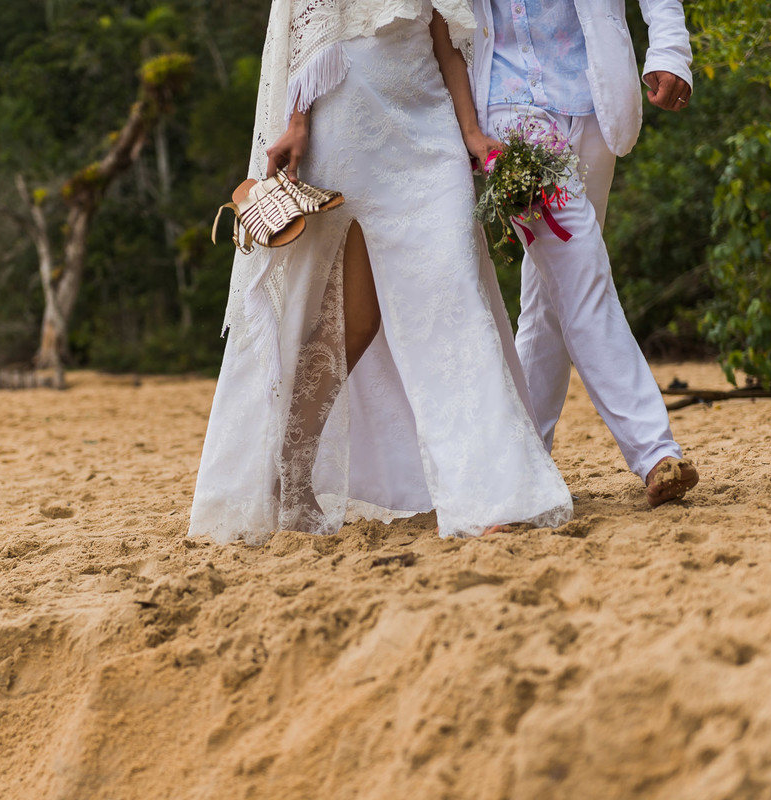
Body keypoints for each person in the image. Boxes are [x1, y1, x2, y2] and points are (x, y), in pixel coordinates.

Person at [189, 0, 574, 545]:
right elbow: (304, 38)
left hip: (429, 140)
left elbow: (447, 42)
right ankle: (291, 476)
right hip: (343, 137)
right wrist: (297, 124)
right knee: (355, 324)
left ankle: (493, 491)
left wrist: (470, 133)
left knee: (454, 297)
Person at [468, 0, 701, 507]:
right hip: (509, 111)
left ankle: (524, 460)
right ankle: (654, 450)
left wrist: (669, 51)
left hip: (594, 103)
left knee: (549, 299)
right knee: (582, 271)